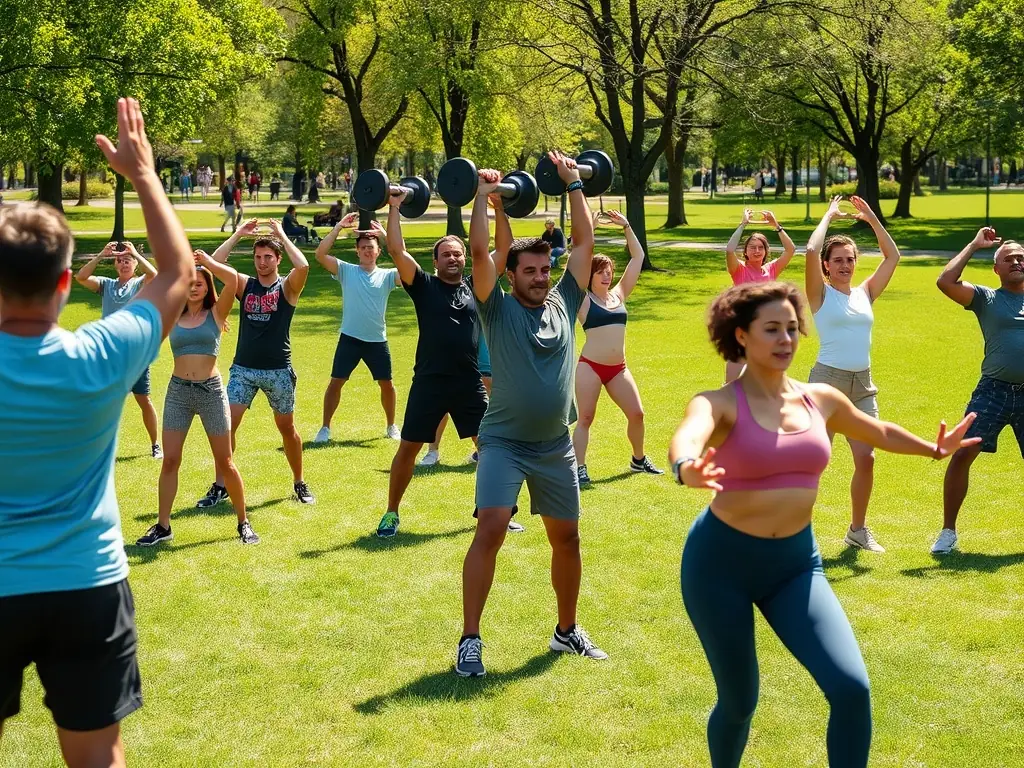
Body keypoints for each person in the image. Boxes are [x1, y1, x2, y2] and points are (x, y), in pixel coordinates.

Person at [669, 281, 978, 768]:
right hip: (719, 569)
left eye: (792, 328)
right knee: (740, 701)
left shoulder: (822, 399)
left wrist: (933, 448)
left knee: (851, 689)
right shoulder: (719, 402)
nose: (786, 339)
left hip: (794, 567)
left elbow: (876, 431)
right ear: (741, 335)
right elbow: (688, 435)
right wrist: (687, 467)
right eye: (771, 329)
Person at [0, 97, 193, 768]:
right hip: (86, 584)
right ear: (63, 282)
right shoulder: (100, 356)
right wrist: (142, 174)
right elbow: (176, 274)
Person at [455, 153, 607, 678]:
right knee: (492, 526)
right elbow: (478, 251)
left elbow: (585, 245)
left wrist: (572, 185)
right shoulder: (494, 307)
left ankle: (566, 631)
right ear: (511, 275)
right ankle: (470, 640)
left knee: (567, 539)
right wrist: (481, 196)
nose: (541, 278)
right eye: (531, 271)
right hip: (502, 443)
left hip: (554, 446)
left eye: (546, 269)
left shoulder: (564, 300)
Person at [374, 189, 522, 538]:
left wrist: (498, 207)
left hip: (468, 382)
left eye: (458, 253)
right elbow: (396, 250)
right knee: (408, 449)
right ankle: (391, 513)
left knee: (491, 446)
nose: (454, 258)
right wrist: (394, 207)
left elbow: (502, 254)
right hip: (429, 382)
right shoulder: (423, 285)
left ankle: (501, 511)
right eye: (446, 255)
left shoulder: (476, 286)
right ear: (436, 261)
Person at [136, 251, 259, 547]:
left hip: (211, 392)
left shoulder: (217, 314)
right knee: (171, 460)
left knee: (225, 461)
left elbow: (232, 280)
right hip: (179, 391)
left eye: (200, 283)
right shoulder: (173, 315)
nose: (194, 287)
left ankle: (243, 522)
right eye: (190, 283)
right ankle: (163, 526)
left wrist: (207, 264)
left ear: (207, 288)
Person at [197, 218, 316, 508]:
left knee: (287, 429)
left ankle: (299, 482)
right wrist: (238, 233)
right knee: (226, 427)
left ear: (277, 259)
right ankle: (220, 485)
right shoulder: (244, 284)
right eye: (258, 257)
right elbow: (211, 264)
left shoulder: (288, 287)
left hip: (278, 371)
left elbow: (303, 266)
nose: (262, 262)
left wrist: (281, 234)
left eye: (268, 257)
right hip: (244, 370)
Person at [805, 195, 901, 553]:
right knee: (813, 462)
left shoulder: (865, 293)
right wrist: (829, 215)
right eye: (838, 260)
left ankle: (857, 531)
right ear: (827, 266)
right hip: (826, 384)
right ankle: (795, 533)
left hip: (862, 385)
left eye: (850, 259)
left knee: (867, 458)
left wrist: (872, 219)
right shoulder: (820, 295)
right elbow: (810, 252)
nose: (845, 265)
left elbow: (893, 257)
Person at [932, 228, 1024, 554]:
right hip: (994, 391)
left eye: (1021, 258)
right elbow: (945, 282)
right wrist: (974, 245)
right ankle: (947, 533)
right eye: (1008, 258)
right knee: (963, 452)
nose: (1016, 262)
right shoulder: (987, 298)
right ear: (996, 268)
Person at [572, 210, 662, 485]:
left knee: (637, 414)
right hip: (591, 367)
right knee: (585, 418)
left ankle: (638, 460)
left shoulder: (619, 294)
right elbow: (576, 260)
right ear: (589, 275)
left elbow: (638, 258)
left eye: (609, 272)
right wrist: (593, 230)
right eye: (600, 272)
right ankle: (579, 468)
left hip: (618, 368)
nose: (607, 276)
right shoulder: (582, 299)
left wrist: (626, 226)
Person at [312, 213, 401, 442]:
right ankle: (325, 428)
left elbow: (406, 262)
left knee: (387, 385)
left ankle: (391, 425)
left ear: (378, 251)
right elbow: (320, 255)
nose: (367, 251)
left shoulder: (388, 275)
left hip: (377, 341)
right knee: (336, 382)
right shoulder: (346, 270)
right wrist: (338, 227)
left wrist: (385, 235)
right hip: (350, 338)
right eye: (363, 248)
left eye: (371, 247)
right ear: (357, 251)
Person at [75, 239, 162, 458]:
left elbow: (154, 274)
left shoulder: (139, 283)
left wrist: (136, 253)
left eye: (128, 261)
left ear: (134, 265)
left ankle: (155, 445)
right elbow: (81, 277)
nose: (124, 264)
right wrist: (99, 255)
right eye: (120, 261)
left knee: (144, 400)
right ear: (115, 265)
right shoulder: (106, 285)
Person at [723, 207, 795, 382]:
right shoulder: (738, 269)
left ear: (766, 251)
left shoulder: (771, 269)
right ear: (745, 252)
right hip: (743, 327)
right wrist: (743, 224)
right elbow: (729, 249)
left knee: (765, 380)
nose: (756, 251)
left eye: (760, 247)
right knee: (733, 383)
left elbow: (790, 249)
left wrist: (776, 225)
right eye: (752, 247)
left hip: (766, 328)